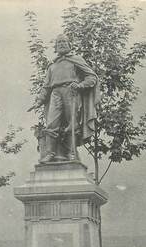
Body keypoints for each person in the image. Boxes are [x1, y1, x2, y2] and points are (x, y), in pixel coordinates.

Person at [35, 34, 100, 163]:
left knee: (72, 122)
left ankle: (72, 152)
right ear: (55, 47)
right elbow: (46, 86)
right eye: (59, 43)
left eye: (65, 42)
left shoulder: (76, 60)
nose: (62, 44)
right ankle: (50, 153)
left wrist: (80, 85)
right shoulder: (52, 66)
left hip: (71, 92)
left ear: (70, 45)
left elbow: (92, 78)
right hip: (55, 93)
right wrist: (40, 100)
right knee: (51, 123)